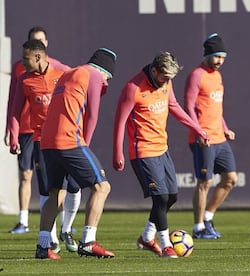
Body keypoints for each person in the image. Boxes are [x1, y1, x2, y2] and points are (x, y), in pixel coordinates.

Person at [112, 52, 209, 258]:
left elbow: (173, 106)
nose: (167, 82)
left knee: (171, 197)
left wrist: (197, 128)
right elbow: (120, 121)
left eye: (170, 78)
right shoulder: (133, 88)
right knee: (161, 197)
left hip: (161, 149)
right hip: (142, 151)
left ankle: (147, 236)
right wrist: (117, 151)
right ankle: (166, 245)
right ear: (154, 70)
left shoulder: (166, 83)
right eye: (165, 77)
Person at [34, 48, 117, 259]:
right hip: (69, 140)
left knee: (55, 192)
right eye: (108, 78)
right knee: (102, 186)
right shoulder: (95, 75)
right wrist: (85, 146)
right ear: (105, 71)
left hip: (46, 141)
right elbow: (93, 116)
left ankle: (44, 246)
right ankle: (88, 241)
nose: (106, 83)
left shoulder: (68, 73)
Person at [5, 27, 81, 237]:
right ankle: (40, 231)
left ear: (43, 48)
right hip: (35, 135)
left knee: (70, 184)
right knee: (36, 180)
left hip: (64, 137)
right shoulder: (22, 74)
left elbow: (81, 84)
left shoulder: (61, 71)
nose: (23, 61)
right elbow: (14, 104)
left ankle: (66, 226)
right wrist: (12, 132)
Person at [184, 33, 237, 239]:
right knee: (204, 183)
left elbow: (216, 107)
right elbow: (188, 107)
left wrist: (225, 127)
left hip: (219, 138)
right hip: (203, 140)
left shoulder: (217, 76)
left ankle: (207, 217)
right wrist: (198, 131)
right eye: (216, 57)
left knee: (230, 179)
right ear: (207, 55)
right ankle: (198, 228)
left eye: (223, 57)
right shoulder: (196, 75)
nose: (220, 61)